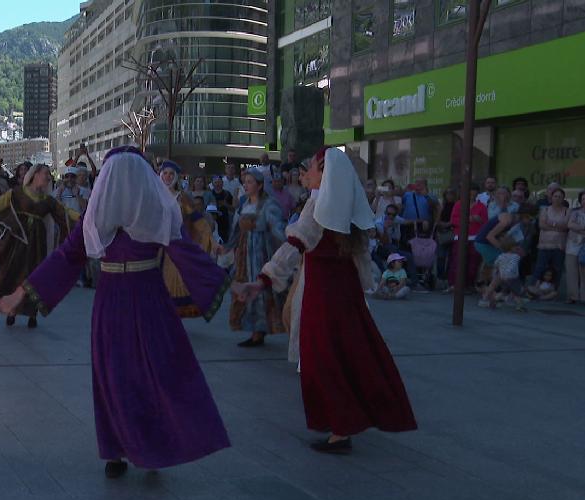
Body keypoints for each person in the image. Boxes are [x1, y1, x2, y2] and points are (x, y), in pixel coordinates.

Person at [0, 147, 231, 478]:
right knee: (114, 375)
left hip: (143, 299)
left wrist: (231, 284)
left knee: (150, 374)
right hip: (121, 300)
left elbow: (189, 255)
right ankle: (117, 449)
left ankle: (153, 446)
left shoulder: (154, 215)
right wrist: (19, 294)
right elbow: (65, 257)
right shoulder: (96, 220)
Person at [233, 148, 417, 453]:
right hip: (343, 293)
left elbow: (295, 244)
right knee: (347, 354)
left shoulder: (321, 205)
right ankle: (346, 423)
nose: (306, 173)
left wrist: (263, 280)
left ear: (326, 175)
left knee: (323, 358)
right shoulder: (342, 207)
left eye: (312, 169)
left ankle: (341, 428)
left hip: (323, 294)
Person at [0, 163, 76, 328]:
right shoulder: (16, 193)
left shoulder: (49, 201)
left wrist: (86, 219)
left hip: (37, 244)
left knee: (34, 275)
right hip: (16, 241)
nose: (48, 177)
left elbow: (67, 213)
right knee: (13, 273)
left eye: (48, 175)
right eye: (45, 173)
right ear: (35, 175)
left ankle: (32, 313)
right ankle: (12, 310)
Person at [227, 167, 286, 347]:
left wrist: (288, 246)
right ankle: (252, 327)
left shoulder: (269, 205)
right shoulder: (244, 203)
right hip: (244, 254)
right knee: (242, 287)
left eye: (250, 182)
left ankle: (259, 331)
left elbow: (278, 230)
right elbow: (237, 230)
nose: (246, 185)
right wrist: (228, 247)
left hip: (260, 254)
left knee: (259, 291)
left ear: (260, 185)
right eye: (245, 182)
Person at [158, 160, 218, 317]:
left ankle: (170, 319)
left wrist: (211, 239)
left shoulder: (182, 198)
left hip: (175, 246)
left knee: (172, 282)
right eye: (165, 173)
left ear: (177, 177)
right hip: (154, 246)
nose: (168, 177)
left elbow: (198, 221)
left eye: (171, 174)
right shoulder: (153, 195)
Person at [447, 184, 488, 291]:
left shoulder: (482, 206)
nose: (471, 195)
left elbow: (485, 223)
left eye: (473, 192)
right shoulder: (458, 204)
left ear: (477, 194)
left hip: (475, 237)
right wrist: (468, 219)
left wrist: (478, 220)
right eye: (469, 192)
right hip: (460, 236)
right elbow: (453, 221)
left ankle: (468, 285)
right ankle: (453, 284)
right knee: (457, 261)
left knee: (473, 263)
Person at [532, 187, 569, 286]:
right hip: (544, 245)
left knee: (557, 269)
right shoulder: (545, 209)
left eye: (560, 197)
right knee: (539, 268)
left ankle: (553, 292)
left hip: (559, 246)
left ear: (563, 198)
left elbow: (566, 227)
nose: (557, 198)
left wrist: (550, 224)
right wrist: (557, 226)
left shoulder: (567, 211)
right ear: (551, 197)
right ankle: (532, 290)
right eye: (555, 196)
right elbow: (541, 225)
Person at [480, 237, 526, 310]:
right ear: (511, 248)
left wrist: (496, 271)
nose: (517, 247)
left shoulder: (501, 256)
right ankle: (519, 305)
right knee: (515, 291)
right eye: (515, 246)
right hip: (511, 277)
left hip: (500, 274)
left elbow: (496, 264)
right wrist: (507, 272)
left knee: (493, 286)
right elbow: (512, 265)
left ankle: (484, 299)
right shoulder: (516, 256)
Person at [565, 192, 585, 304]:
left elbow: (574, 227)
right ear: (580, 201)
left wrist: (579, 229)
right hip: (572, 246)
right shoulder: (575, 213)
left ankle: (584, 297)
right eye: (583, 199)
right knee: (571, 271)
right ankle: (573, 296)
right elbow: (570, 225)